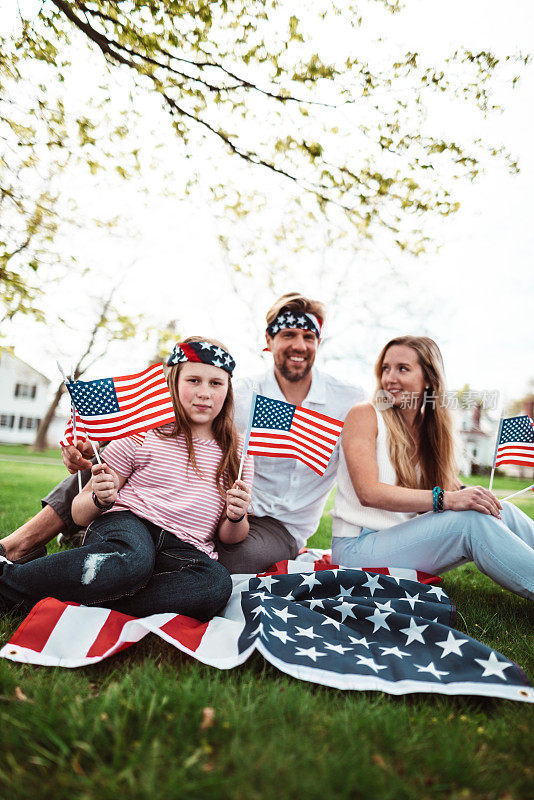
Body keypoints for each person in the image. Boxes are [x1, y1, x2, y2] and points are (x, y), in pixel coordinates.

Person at [1, 293, 363, 573]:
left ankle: (105, 550)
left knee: (218, 566)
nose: (298, 345)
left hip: (277, 525)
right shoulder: (239, 390)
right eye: (287, 334)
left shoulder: (348, 401)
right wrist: (92, 445)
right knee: (115, 451)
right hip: (207, 504)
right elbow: (157, 425)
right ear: (269, 340)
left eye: (308, 336)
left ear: (318, 342)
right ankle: (22, 544)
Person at [0, 338, 253, 619]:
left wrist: (236, 516)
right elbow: (79, 512)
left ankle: (85, 600)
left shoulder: (239, 451)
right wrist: (99, 498)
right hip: (127, 528)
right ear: (174, 382)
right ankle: (9, 582)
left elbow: (230, 537)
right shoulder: (145, 432)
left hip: (185, 548)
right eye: (194, 380)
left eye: (216, 383)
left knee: (215, 584)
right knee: (133, 560)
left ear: (229, 388)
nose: (204, 392)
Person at [331, 334, 534, 600]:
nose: (389, 378)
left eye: (402, 368)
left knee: (498, 508)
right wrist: (448, 499)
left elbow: (452, 489)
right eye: (385, 368)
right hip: (356, 547)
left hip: (401, 540)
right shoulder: (364, 414)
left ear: (428, 378)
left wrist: (471, 496)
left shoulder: (432, 428)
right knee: (470, 523)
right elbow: (368, 492)